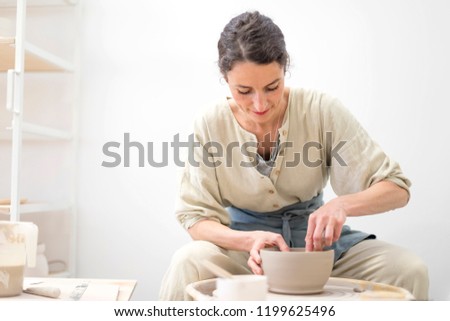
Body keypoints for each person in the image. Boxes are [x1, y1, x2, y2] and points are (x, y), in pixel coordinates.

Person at [159, 11, 429, 301]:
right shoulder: (210, 123)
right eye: (244, 91)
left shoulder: (321, 109)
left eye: (272, 87)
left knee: (408, 269)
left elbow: (397, 189)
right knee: (188, 262)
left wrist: (341, 205)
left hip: (320, 250)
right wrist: (248, 239)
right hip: (244, 253)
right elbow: (195, 218)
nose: (260, 104)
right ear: (225, 78)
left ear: (284, 69)